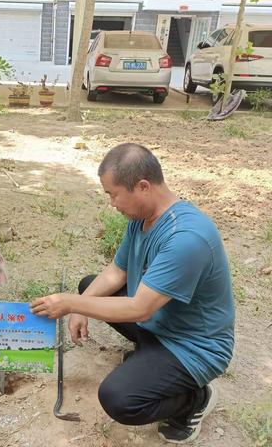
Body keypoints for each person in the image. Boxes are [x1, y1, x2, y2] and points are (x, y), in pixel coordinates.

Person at [31, 143, 235, 444]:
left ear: (142, 186)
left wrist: (69, 303)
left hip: (194, 346)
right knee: (91, 286)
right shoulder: (142, 218)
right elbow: (117, 271)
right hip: (163, 320)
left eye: (113, 194)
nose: (112, 203)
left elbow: (140, 309)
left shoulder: (186, 238)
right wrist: (79, 307)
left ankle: (195, 399)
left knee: (119, 399)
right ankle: (150, 355)